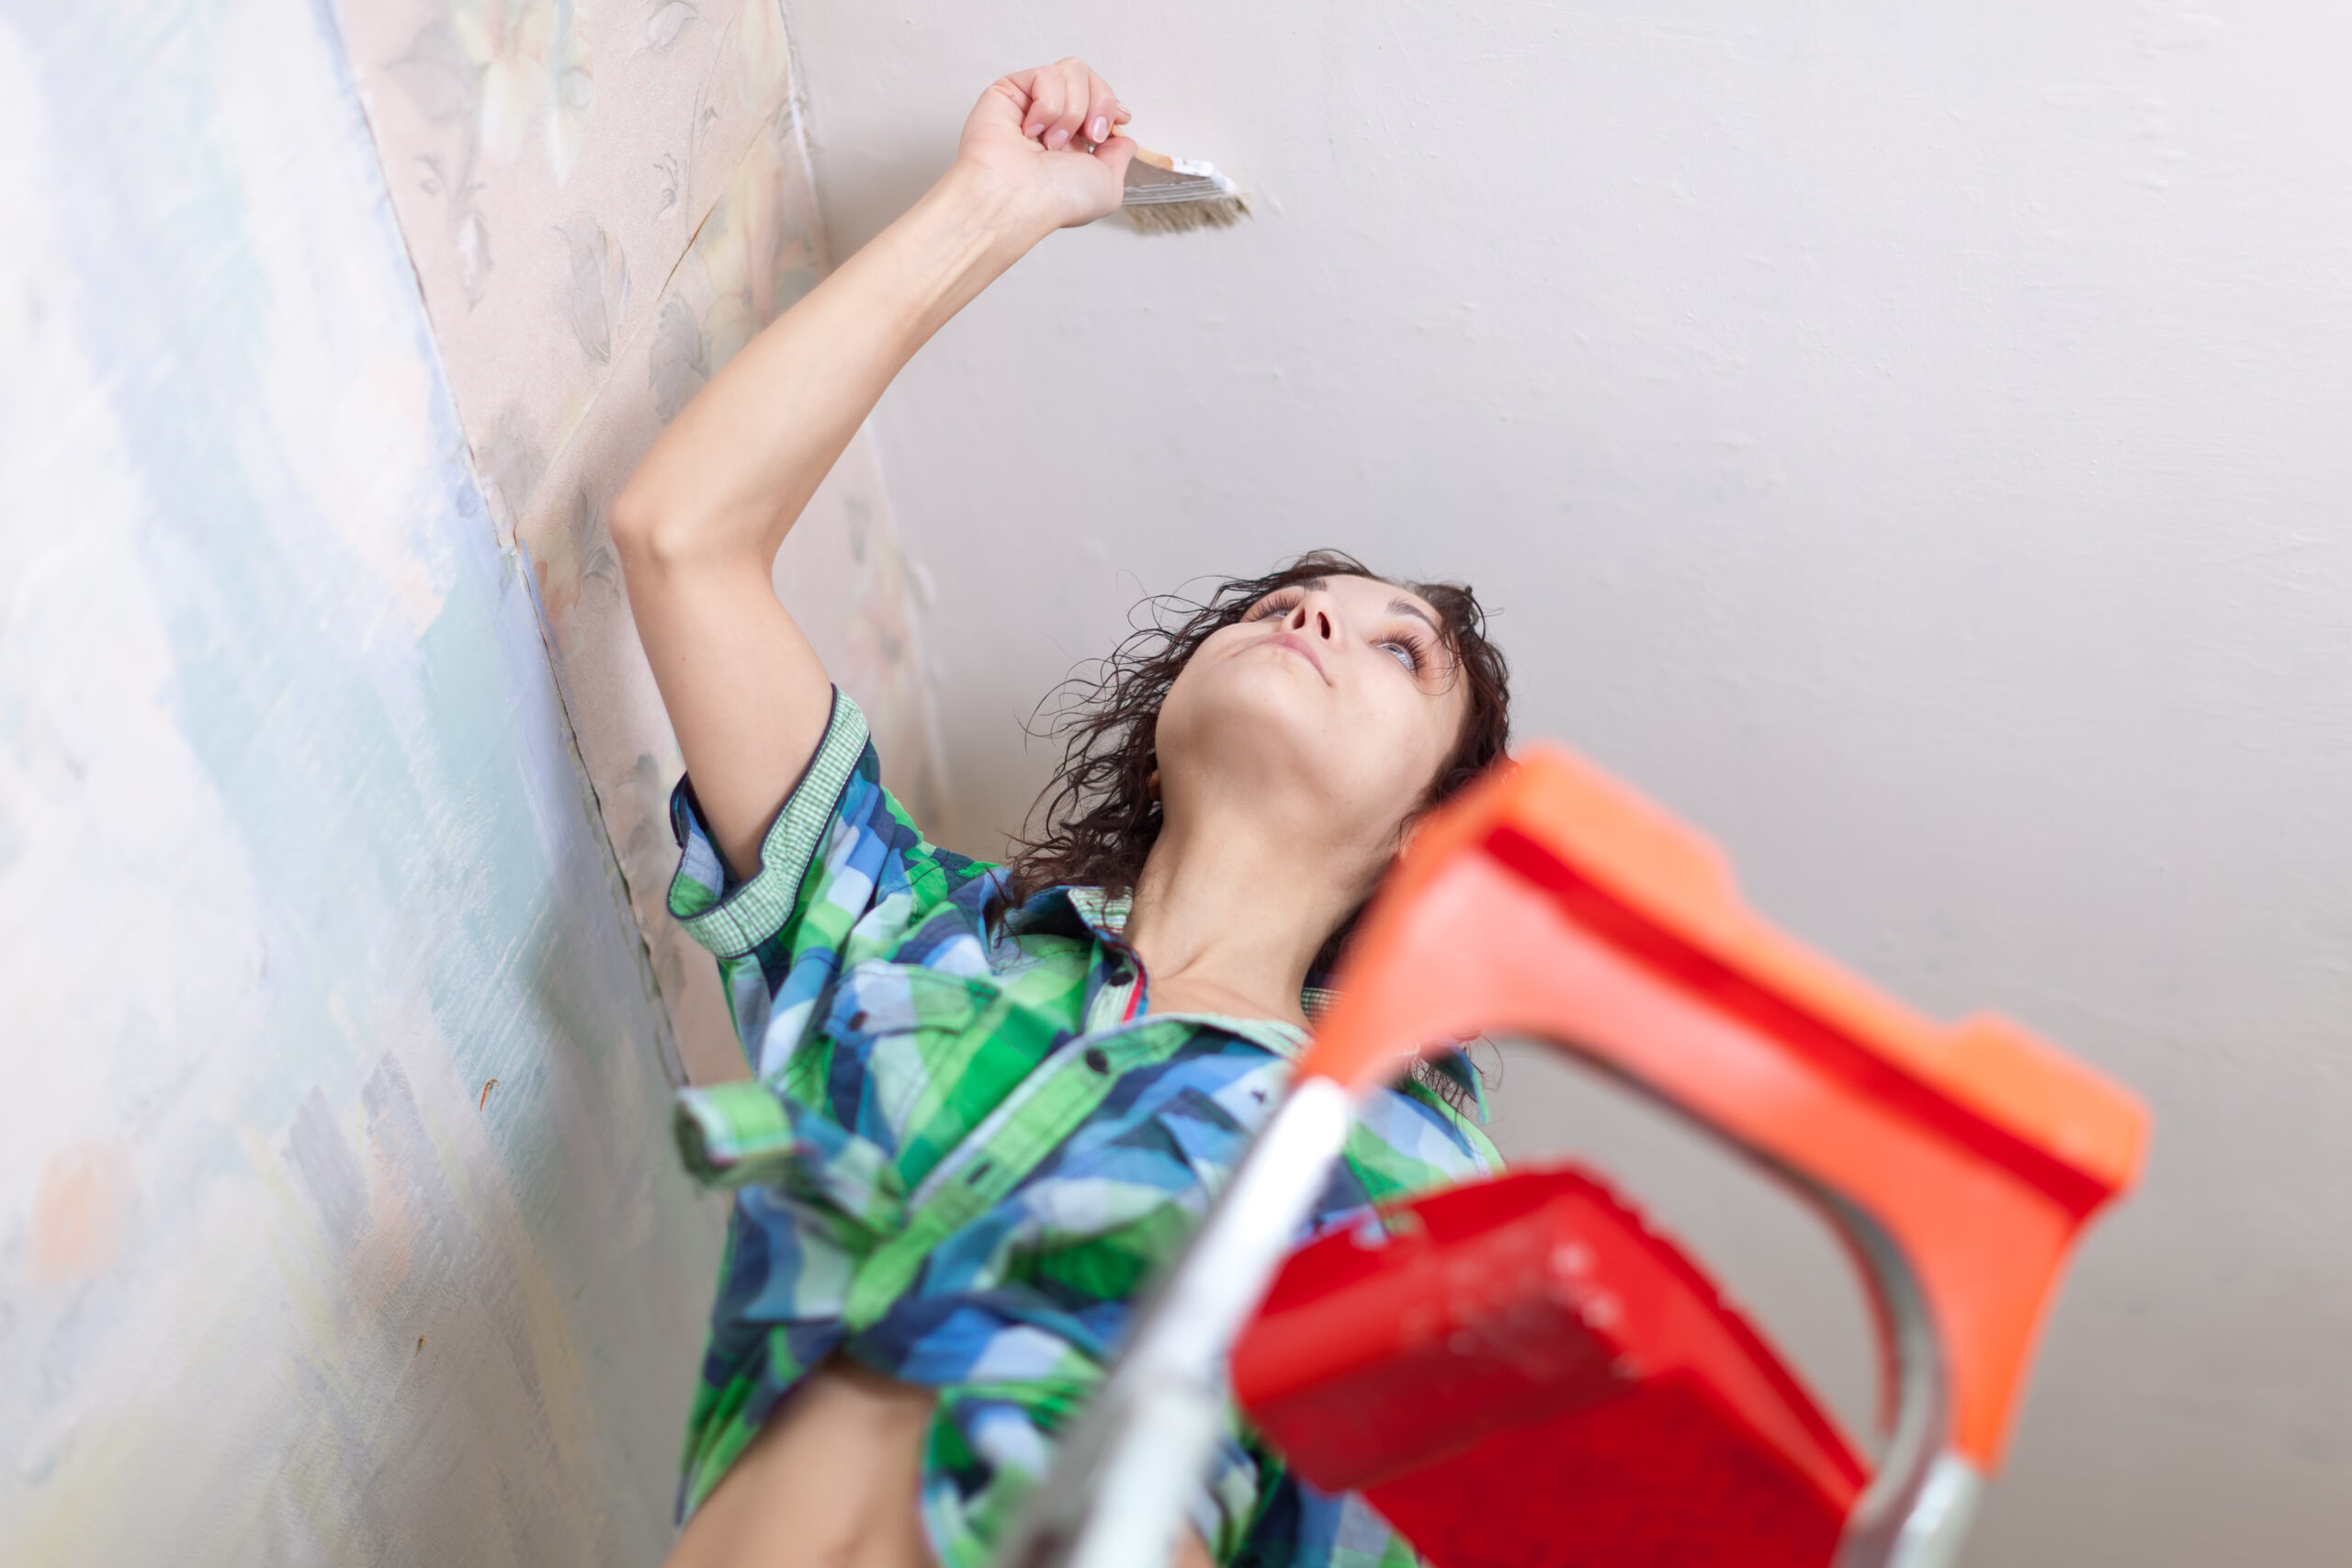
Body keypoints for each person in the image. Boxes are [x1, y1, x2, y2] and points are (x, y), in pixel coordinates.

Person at [612, 58, 1512, 1568]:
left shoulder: (1413, 1163)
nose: (1314, 618)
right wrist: (996, 208)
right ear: (1162, 743)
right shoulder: (897, 935)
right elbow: (680, 537)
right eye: (1293, 602)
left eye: (1395, 647)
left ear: (1424, 840)